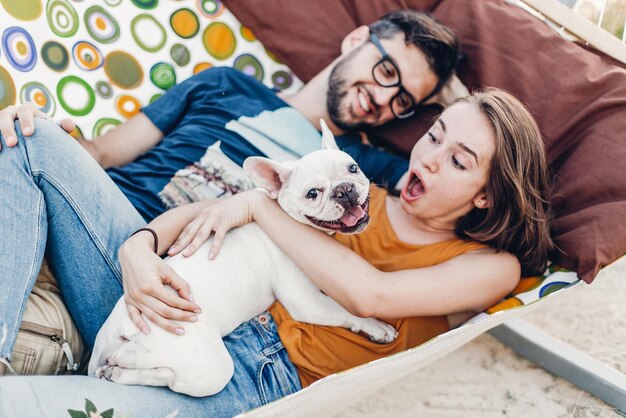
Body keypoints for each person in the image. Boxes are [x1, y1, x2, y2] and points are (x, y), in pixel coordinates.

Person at [0, 88, 553, 417]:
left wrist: (258, 207)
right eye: (435, 135)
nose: (429, 158)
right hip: (163, 292)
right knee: (34, 136)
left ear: (487, 193)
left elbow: (370, 295)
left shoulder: (489, 267)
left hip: (248, 372)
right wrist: (139, 248)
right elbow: (202, 218)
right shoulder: (350, 187)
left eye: (459, 161)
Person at [0, 9, 460, 375]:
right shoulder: (225, 84)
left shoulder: (362, 171)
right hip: (67, 232)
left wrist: (456, 109)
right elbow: (102, 152)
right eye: (386, 71)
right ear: (356, 40)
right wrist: (49, 131)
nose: (383, 97)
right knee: (29, 132)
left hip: (157, 280)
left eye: (403, 101)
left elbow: (455, 180)